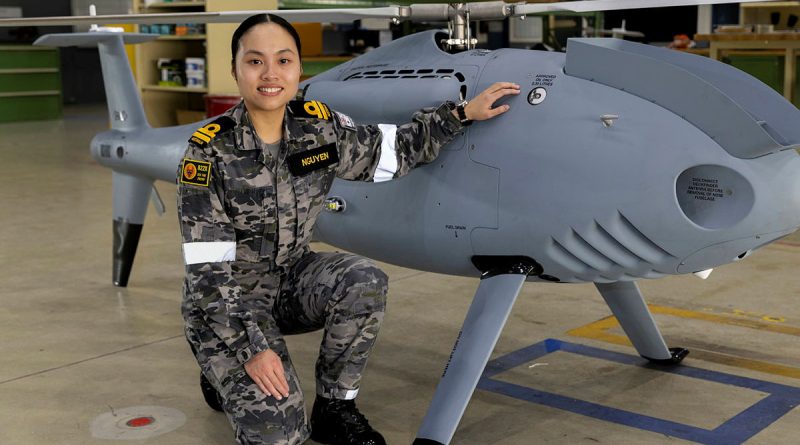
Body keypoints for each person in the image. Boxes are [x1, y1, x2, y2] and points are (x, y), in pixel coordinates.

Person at [177, 13, 520, 445]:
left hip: (289, 281)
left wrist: (461, 114)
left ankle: (335, 407)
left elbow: (392, 150)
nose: (270, 74)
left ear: (300, 69)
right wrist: (251, 350)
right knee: (280, 433)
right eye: (254, 61)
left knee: (363, 280)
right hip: (227, 304)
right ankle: (219, 367)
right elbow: (207, 277)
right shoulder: (208, 152)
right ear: (235, 70)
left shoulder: (318, 126)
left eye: (283, 61)